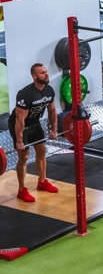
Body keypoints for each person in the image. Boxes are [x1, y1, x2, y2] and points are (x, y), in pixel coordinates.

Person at [8, 64, 59, 202]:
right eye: (42, 73)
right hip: (20, 126)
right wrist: (19, 141)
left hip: (35, 124)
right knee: (24, 156)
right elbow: (19, 120)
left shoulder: (49, 90)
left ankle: (42, 182)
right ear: (34, 76)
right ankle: (21, 190)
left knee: (42, 150)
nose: (46, 74)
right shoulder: (25, 94)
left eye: (46, 71)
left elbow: (52, 110)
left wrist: (54, 129)